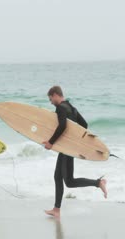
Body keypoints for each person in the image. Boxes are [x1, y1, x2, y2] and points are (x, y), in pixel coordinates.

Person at [42, 86, 107, 217]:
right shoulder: (71, 108)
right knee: (58, 177)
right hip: (68, 148)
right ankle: (56, 210)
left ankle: (98, 183)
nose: (50, 102)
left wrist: (51, 142)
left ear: (55, 95)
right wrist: (75, 141)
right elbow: (84, 125)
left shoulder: (60, 108)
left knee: (69, 182)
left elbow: (62, 126)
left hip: (66, 149)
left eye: (50, 99)